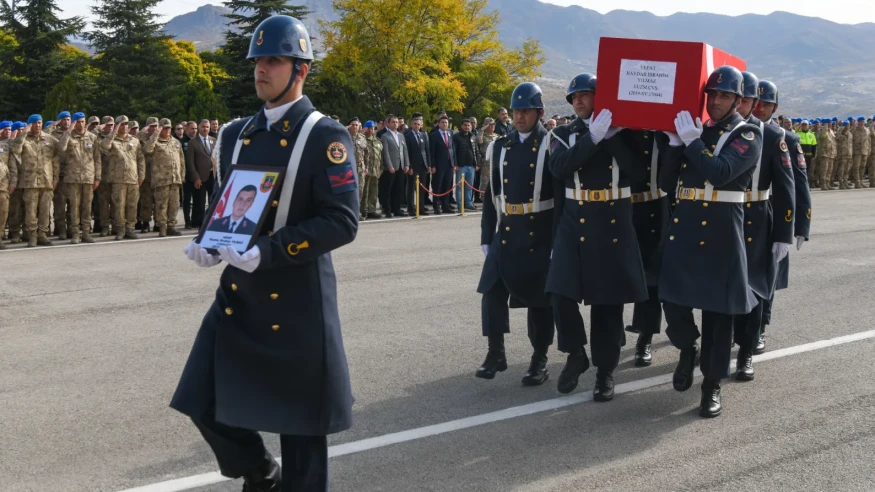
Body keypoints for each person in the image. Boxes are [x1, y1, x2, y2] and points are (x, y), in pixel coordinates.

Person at [171, 15, 359, 492]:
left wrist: (269, 252)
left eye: (273, 60)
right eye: (258, 60)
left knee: (302, 437)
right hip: (239, 295)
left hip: (296, 300)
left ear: (301, 70)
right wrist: (209, 239)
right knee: (199, 397)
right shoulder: (235, 133)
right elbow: (224, 200)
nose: (261, 69)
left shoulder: (325, 136)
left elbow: (342, 221)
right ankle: (258, 470)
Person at [659, 66, 763, 418]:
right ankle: (688, 347)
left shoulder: (747, 134)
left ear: (737, 99)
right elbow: (665, 182)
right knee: (672, 300)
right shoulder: (697, 131)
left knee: (719, 318)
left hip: (721, 231)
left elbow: (720, 173)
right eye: (712, 95)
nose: (716, 101)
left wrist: (690, 142)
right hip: (685, 225)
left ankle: (711, 386)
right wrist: (674, 144)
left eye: (724, 95)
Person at [547, 73, 648, 400]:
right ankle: (576, 353)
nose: (578, 100)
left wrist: (613, 138)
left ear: (599, 98)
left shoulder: (623, 134)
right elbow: (560, 167)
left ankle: (605, 372)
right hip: (573, 221)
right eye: (574, 96)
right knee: (560, 293)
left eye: (585, 95)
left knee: (607, 304)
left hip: (612, 221)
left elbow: (638, 174)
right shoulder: (563, 134)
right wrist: (593, 137)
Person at [476, 82, 558, 385]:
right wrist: (487, 235)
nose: (519, 116)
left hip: (539, 233)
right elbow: (490, 193)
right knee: (491, 290)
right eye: (516, 110)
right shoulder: (500, 145)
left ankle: (539, 359)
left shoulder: (552, 144)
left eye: (526, 110)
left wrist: (558, 241)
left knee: (539, 301)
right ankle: (496, 352)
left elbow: (560, 198)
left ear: (539, 112)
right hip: (507, 230)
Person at [730, 72, 795, 381]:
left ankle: (745, 354)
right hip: (723, 216)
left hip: (757, 215)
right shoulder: (717, 132)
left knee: (753, 288)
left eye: (747, 100)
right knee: (724, 286)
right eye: (737, 98)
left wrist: (784, 233)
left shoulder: (772, 137)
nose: (743, 105)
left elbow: (786, 188)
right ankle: (723, 341)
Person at [752, 80, 812, 353]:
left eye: (766, 104)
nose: (760, 107)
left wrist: (801, 225)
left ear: (775, 107)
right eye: (756, 102)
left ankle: (760, 328)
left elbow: (799, 185)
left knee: (768, 278)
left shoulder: (786, 137)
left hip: (775, 216)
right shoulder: (738, 132)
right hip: (744, 213)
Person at [8, 115, 61, 247]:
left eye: (39, 122)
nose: (37, 125)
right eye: (34, 123)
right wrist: (24, 133)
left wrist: (55, 178)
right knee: (30, 211)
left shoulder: (49, 139)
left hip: (46, 180)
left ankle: (42, 235)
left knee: (44, 210)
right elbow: (15, 150)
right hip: (30, 182)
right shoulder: (24, 139)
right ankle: (32, 236)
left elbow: (56, 159)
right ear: (30, 125)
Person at [56, 112, 101, 244]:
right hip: (72, 177)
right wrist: (68, 132)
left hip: (88, 177)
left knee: (87, 206)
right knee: (74, 207)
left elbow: (97, 158)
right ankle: (75, 233)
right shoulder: (69, 136)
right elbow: (60, 148)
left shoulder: (92, 138)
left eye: (82, 121)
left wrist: (97, 177)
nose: (80, 124)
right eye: (78, 122)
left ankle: (86, 232)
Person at [99, 115, 145, 240]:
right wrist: (114, 131)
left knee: (132, 205)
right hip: (118, 179)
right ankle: (120, 229)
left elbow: (140, 159)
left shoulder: (134, 141)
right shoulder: (112, 140)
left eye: (126, 124)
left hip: (133, 178)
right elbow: (104, 146)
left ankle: (130, 229)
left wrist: (141, 175)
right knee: (119, 206)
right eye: (122, 124)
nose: (124, 127)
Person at [144, 118, 185, 237]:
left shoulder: (176, 142)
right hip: (161, 180)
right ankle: (162, 227)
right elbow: (147, 150)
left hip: (175, 179)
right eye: (164, 128)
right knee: (161, 205)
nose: (167, 130)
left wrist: (182, 176)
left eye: (169, 128)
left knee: (174, 205)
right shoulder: (155, 142)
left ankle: (171, 226)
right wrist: (156, 134)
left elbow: (181, 161)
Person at [187, 119, 217, 228]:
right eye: (203, 127)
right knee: (199, 202)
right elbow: (190, 163)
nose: (205, 129)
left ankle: (211, 221)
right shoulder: (193, 143)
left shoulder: (214, 140)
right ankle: (199, 222)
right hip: (200, 176)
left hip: (212, 175)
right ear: (199, 127)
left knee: (213, 200)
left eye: (207, 127)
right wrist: (196, 177)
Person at [379, 114, 410, 217]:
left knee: (399, 189)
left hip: (401, 166)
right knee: (388, 189)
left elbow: (404, 150)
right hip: (391, 167)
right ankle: (387, 210)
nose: (395, 124)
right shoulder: (385, 136)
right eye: (393, 122)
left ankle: (397, 209)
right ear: (388, 123)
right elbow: (386, 152)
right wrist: (389, 166)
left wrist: (406, 164)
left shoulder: (401, 135)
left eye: (397, 122)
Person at [404, 114, 431, 216]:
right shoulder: (408, 136)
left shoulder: (423, 135)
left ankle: (421, 208)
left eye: (418, 124)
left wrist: (428, 164)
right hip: (413, 166)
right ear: (411, 125)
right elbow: (407, 152)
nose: (416, 126)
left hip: (423, 165)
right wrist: (409, 166)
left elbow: (427, 150)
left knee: (422, 188)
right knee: (411, 188)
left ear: (421, 125)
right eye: (415, 124)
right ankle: (411, 209)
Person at [429, 115, 457, 214]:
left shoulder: (450, 134)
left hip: (449, 164)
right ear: (439, 124)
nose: (444, 124)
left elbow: (453, 149)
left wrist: (454, 163)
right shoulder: (434, 135)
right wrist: (432, 165)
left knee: (447, 185)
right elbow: (431, 152)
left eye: (446, 122)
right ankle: (436, 205)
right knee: (438, 185)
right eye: (442, 122)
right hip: (439, 165)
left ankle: (446, 205)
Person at [452, 118, 479, 211]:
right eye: (465, 125)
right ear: (461, 126)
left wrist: (477, 163)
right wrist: (455, 164)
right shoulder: (456, 137)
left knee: (469, 187)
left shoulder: (473, 136)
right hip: (461, 166)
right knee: (459, 187)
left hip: (471, 166)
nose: (467, 127)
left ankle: (468, 203)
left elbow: (476, 151)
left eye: (469, 125)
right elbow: (454, 152)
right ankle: (460, 205)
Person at [361, 121, 382, 219]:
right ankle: (364, 211)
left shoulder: (377, 141)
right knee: (365, 192)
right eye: (369, 128)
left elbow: (380, 156)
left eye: (373, 128)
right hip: (366, 170)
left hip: (375, 170)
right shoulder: (362, 140)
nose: (371, 130)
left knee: (374, 191)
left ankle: (372, 210)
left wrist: (381, 168)